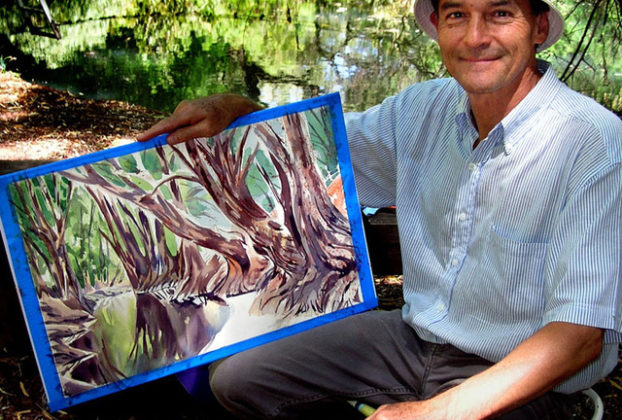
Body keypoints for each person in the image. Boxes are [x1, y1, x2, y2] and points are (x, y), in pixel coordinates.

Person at [138, 0, 622, 418]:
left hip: (518, 372)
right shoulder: (420, 110)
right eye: (458, 14)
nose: (476, 37)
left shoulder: (592, 143)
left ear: (538, 28)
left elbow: (580, 336)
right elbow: (311, 150)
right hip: (413, 340)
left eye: (499, 13)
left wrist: (437, 412)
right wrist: (237, 108)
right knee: (239, 380)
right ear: (438, 25)